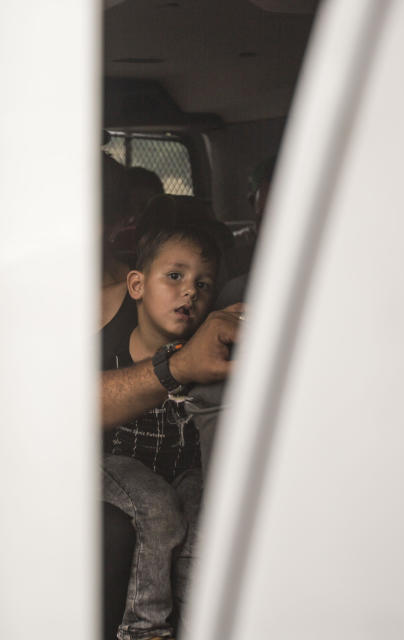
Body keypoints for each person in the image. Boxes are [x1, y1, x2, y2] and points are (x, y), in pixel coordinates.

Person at [101, 200, 242, 640]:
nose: (190, 292)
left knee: (207, 513)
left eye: (203, 284)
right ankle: (144, 629)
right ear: (137, 286)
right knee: (156, 507)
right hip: (113, 464)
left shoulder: (210, 357)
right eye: (175, 277)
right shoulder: (119, 355)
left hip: (180, 468)